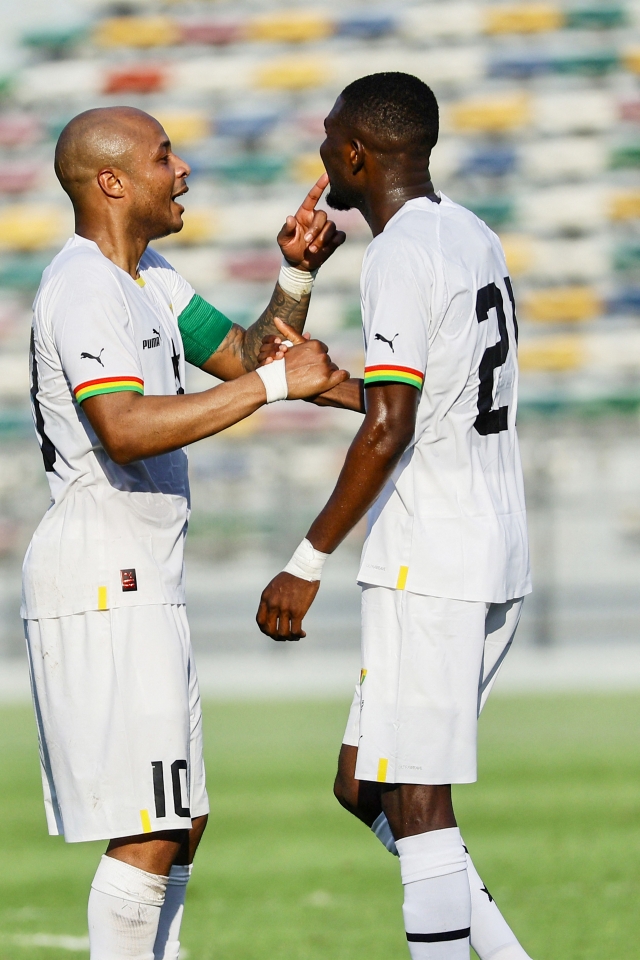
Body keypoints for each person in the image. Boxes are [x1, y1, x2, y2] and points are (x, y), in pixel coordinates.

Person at [23, 105, 348, 960]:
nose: (185, 170)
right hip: (101, 574)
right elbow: (124, 427)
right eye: (165, 156)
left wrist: (296, 277)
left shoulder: (148, 277)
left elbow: (246, 354)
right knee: (151, 828)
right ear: (112, 181)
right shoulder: (85, 287)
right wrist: (277, 391)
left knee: (181, 820)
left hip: (141, 577)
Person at [257, 73, 533, 960]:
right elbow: (410, 398)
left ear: (355, 153)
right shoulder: (471, 234)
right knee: (363, 784)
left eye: (328, 137)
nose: (322, 153)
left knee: (417, 796)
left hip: (434, 552)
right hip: (490, 539)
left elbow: (391, 423)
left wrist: (307, 557)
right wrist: (316, 341)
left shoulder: (403, 252)